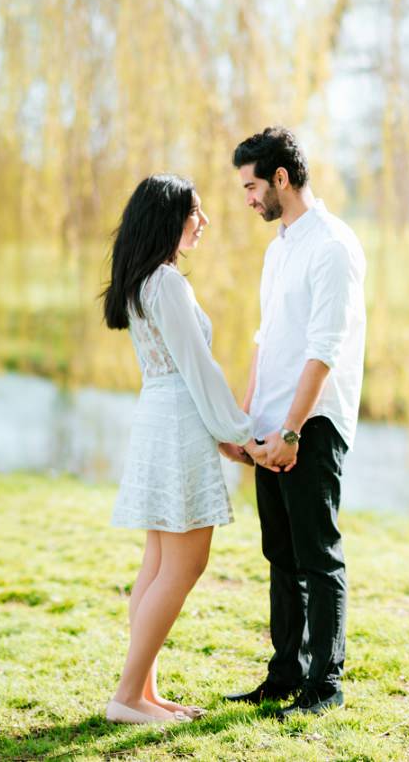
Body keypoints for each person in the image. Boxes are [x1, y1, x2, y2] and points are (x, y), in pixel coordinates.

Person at [102, 173, 270, 725]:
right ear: (168, 217)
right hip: (177, 421)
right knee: (186, 563)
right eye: (195, 211)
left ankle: (143, 692)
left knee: (157, 564)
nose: (205, 220)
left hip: (160, 416)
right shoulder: (166, 283)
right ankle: (128, 696)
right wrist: (239, 433)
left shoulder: (143, 281)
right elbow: (198, 367)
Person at [222, 127, 367, 718]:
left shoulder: (333, 246)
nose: (248, 198)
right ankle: (285, 674)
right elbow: (266, 340)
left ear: (281, 178)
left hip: (312, 424)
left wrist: (290, 431)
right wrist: (246, 422)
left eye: (252, 186)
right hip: (270, 424)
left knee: (317, 555)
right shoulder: (278, 247)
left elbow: (324, 349)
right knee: (279, 554)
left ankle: (324, 686)